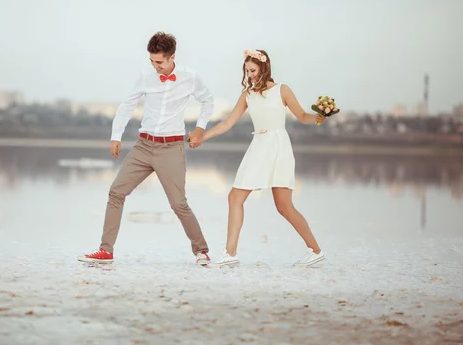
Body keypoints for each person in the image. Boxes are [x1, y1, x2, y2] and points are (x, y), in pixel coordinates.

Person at [77, 31, 214, 265]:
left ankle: (201, 251)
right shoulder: (145, 76)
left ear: (172, 57)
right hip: (143, 146)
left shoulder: (190, 77)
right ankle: (105, 250)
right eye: (151, 61)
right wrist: (115, 136)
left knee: (178, 204)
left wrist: (200, 129)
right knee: (116, 192)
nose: (155, 66)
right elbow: (127, 104)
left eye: (159, 62)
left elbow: (208, 101)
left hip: (171, 148)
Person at [188, 49, 325, 268]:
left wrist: (318, 117)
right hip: (258, 146)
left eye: (253, 70)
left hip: (278, 145)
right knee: (235, 197)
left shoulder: (283, 90)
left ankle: (315, 251)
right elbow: (227, 123)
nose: (250, 74)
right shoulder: (247, 95)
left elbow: (302, 116)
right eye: (247, 71)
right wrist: (202, 137)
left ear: (264, 67)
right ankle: (230, 254)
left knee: (284, 206)